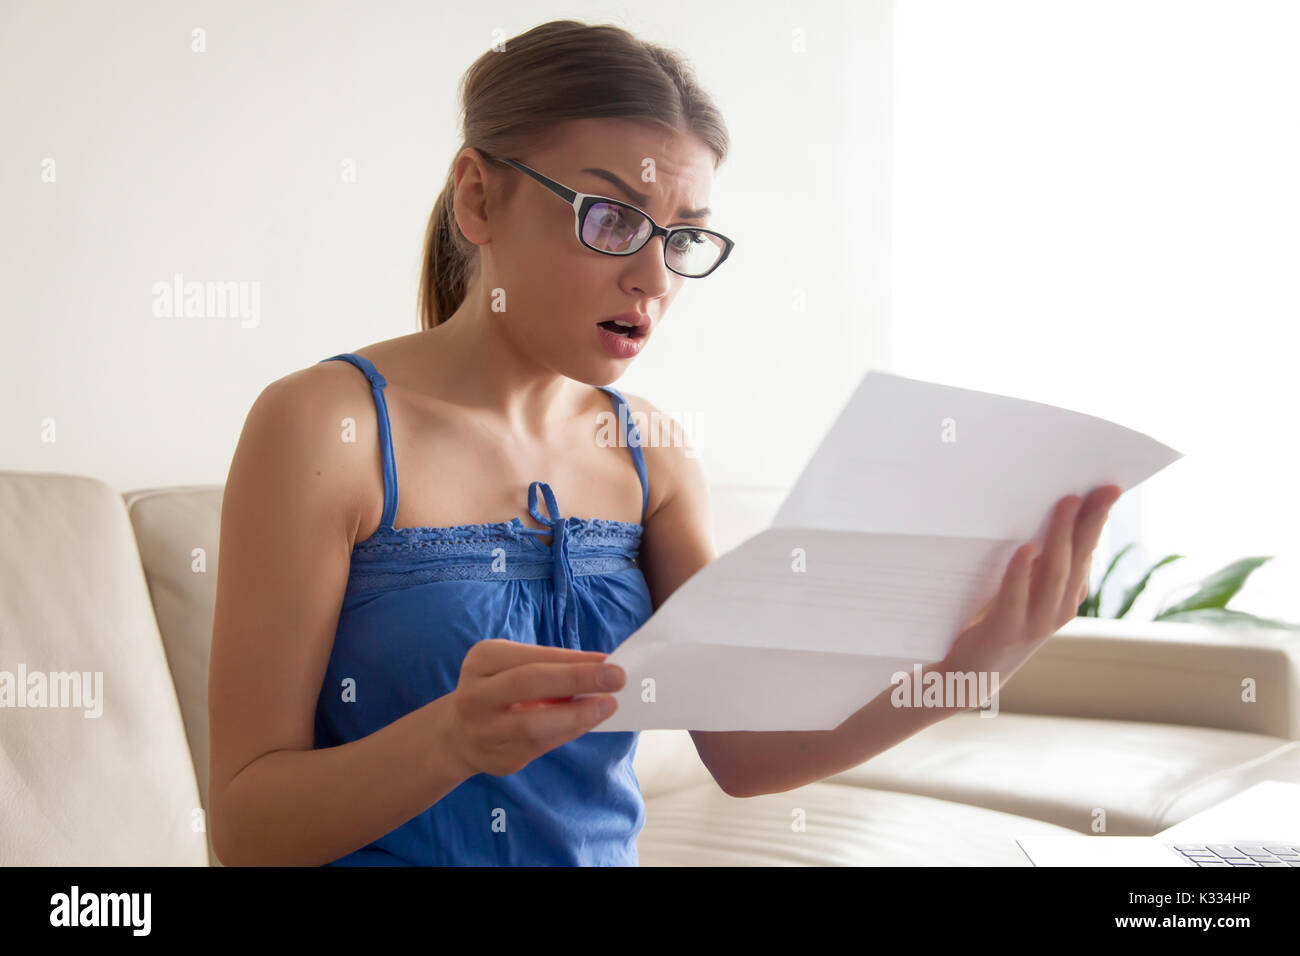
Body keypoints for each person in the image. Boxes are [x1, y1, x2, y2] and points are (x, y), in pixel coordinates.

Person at [207, 18, 1120, 867]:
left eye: (682, 238)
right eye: (611, 220)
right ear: (478, 198)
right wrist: (448, 738)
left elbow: (745, 753)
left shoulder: (653, 455)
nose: (652, 277)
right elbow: (243, 828)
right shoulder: (328, 427)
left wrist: (978, 659)